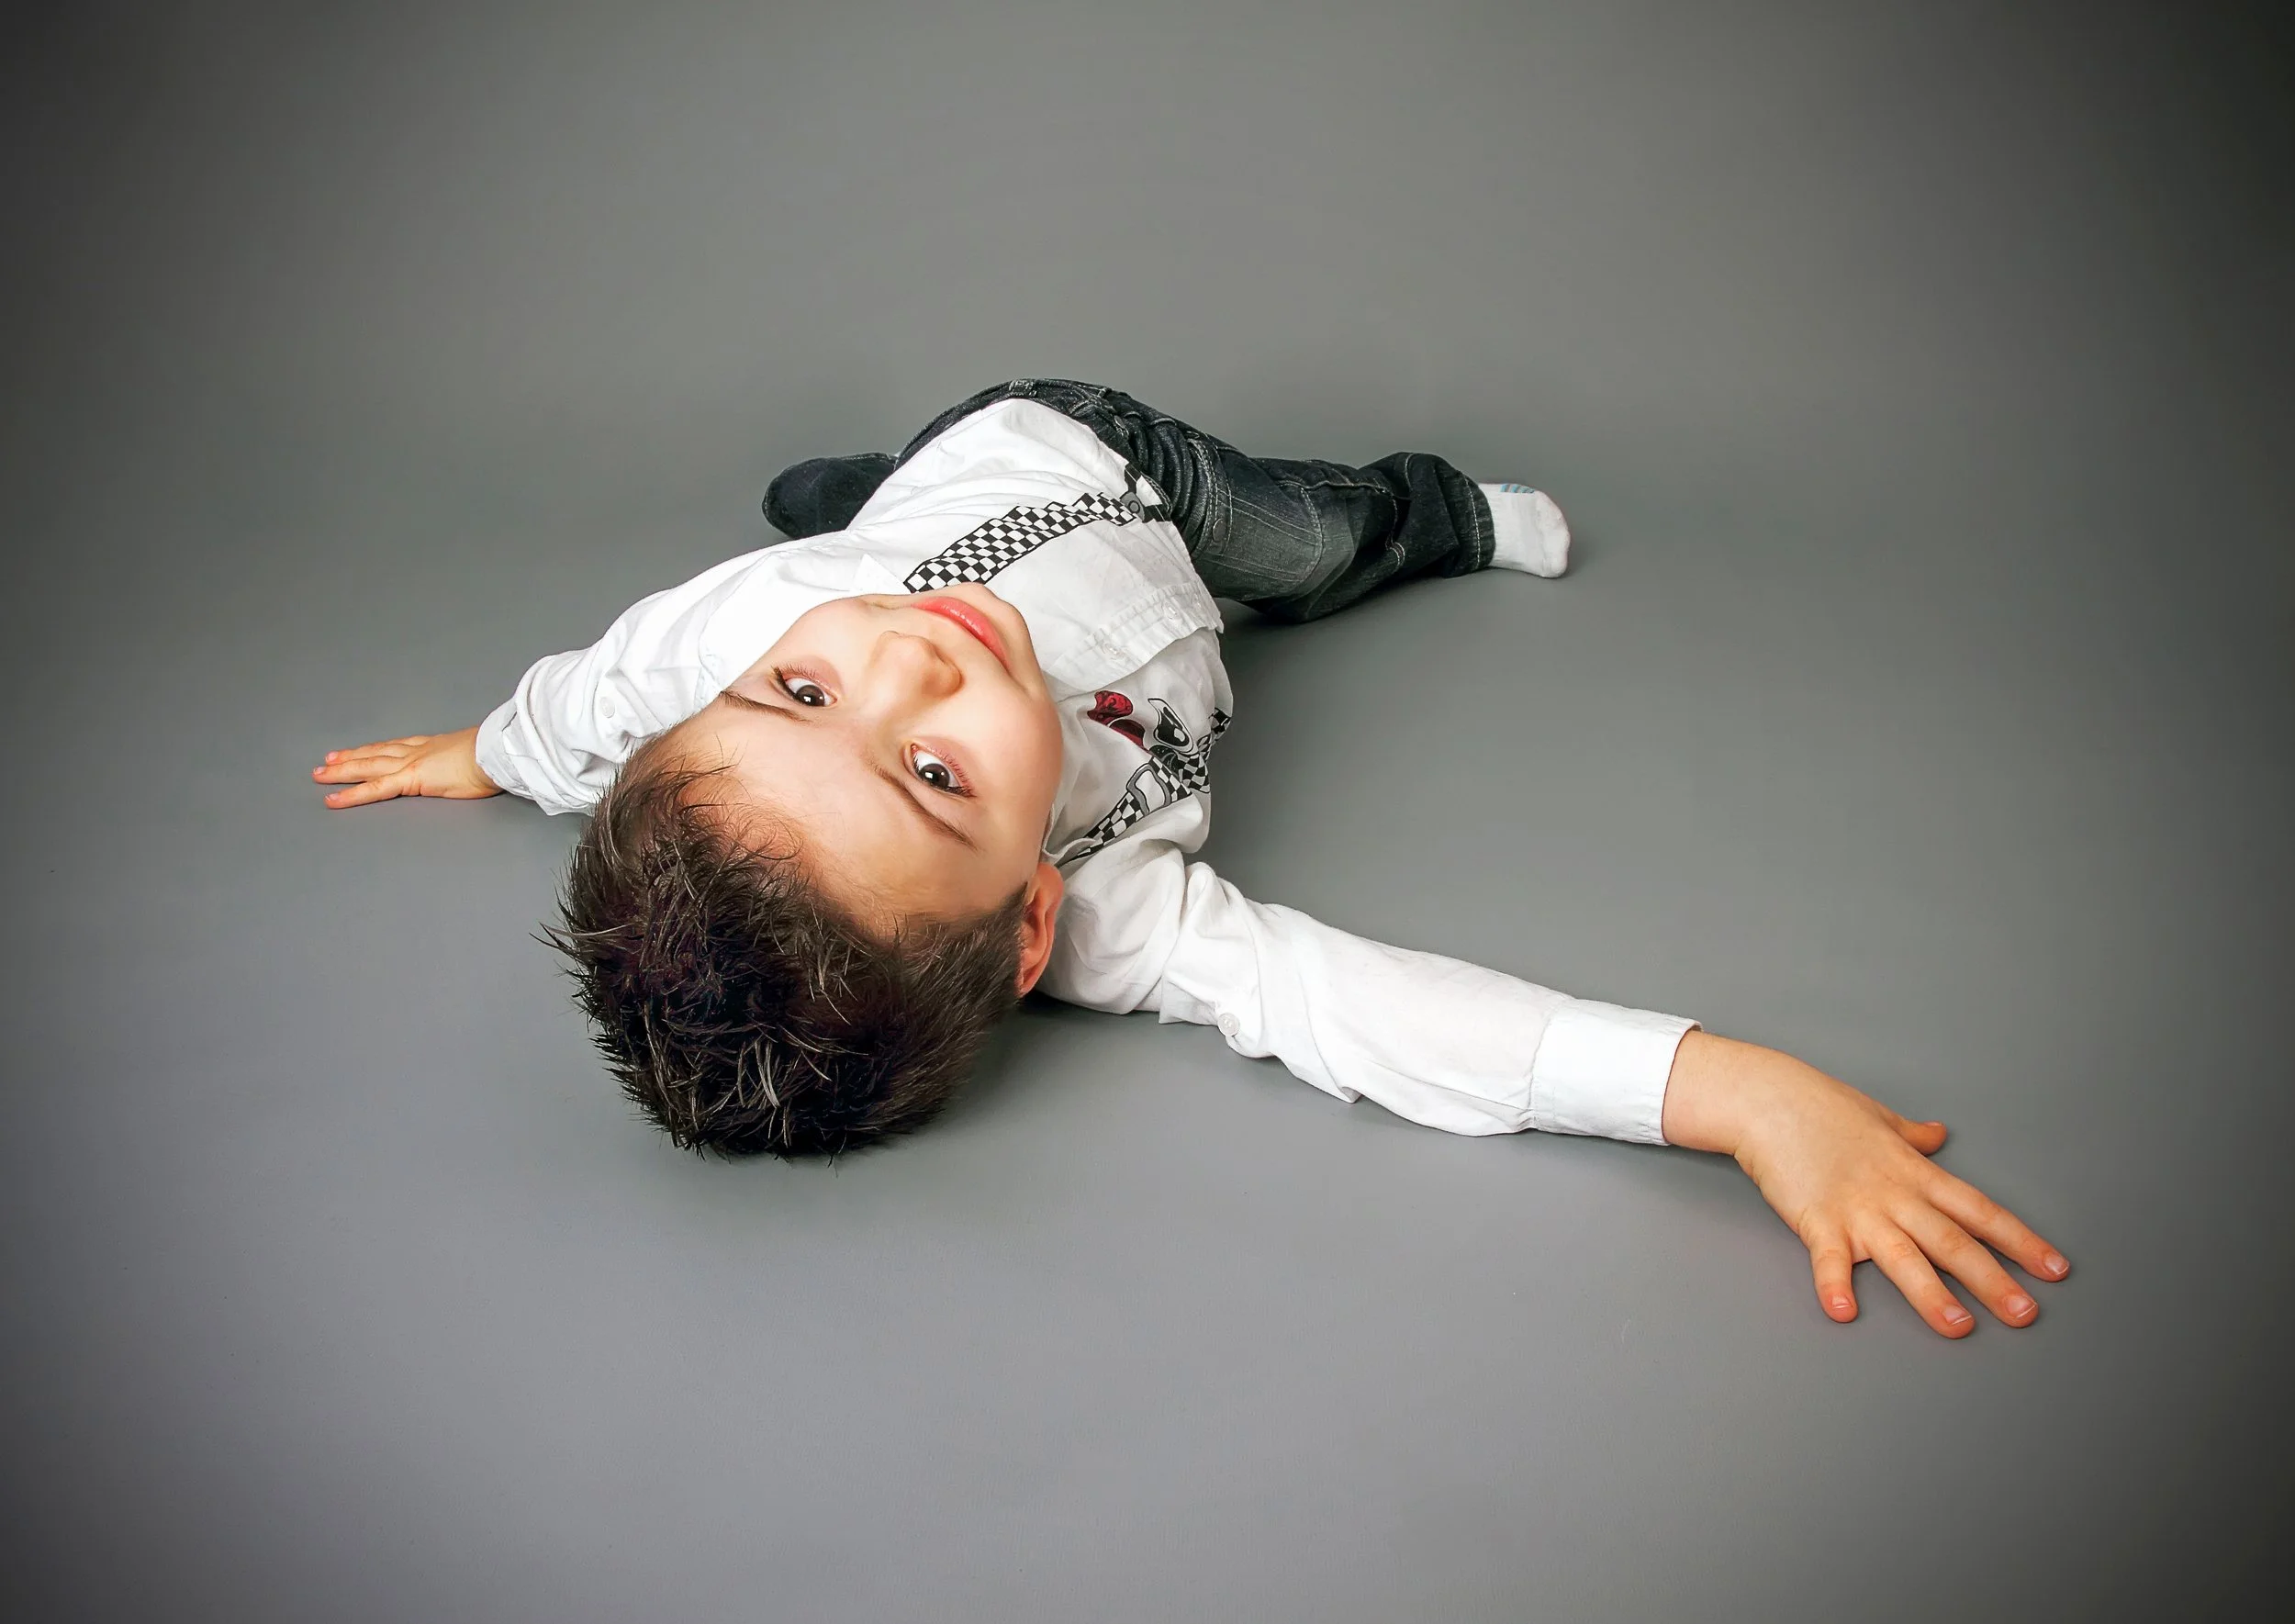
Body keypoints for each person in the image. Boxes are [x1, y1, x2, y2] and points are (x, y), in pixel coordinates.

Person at [312, 377, 2070, 1338]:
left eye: (803, 692)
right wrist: (1734, 1091)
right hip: (1170, 582)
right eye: (933, 774)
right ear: (1027, 926)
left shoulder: (726, 633)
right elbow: (1363, 1014)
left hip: (1092, 458)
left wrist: (488, 754)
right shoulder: (1114, 915)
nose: (906, 661)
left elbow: (595, 701)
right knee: (1278, 571)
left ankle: (1419, 511)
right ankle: (893, 489)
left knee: (1304, 529)